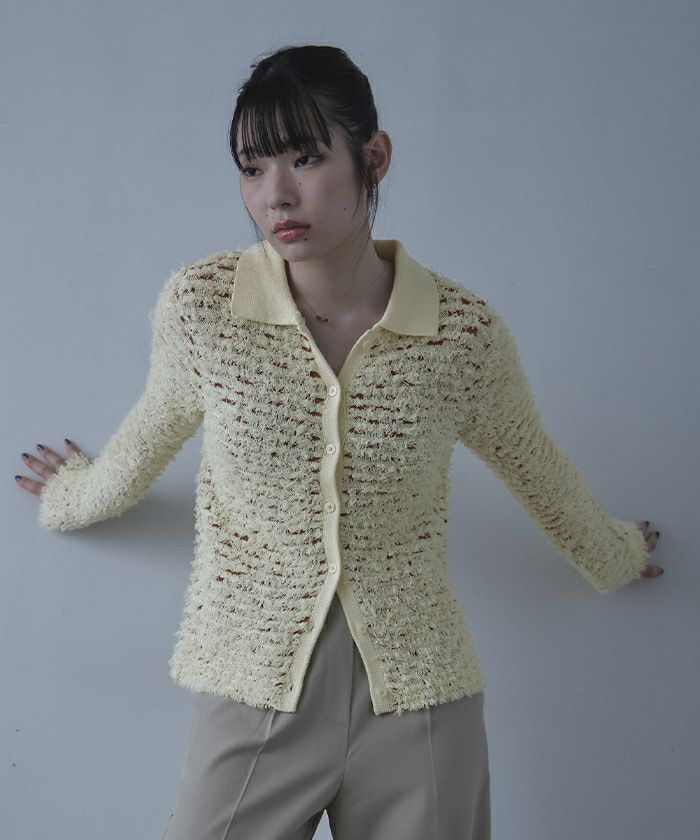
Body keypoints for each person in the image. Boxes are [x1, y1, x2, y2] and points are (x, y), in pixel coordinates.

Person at [15, 44, 663, 840]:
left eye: (306, 158)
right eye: (252, 168)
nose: (276, 195)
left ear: (374, 157)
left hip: (418, 701)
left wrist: (614, 553)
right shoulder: (205, 308)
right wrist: (70, 496)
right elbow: (145, 438)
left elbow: (536, 466)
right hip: (257, 691)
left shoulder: (459, 333)